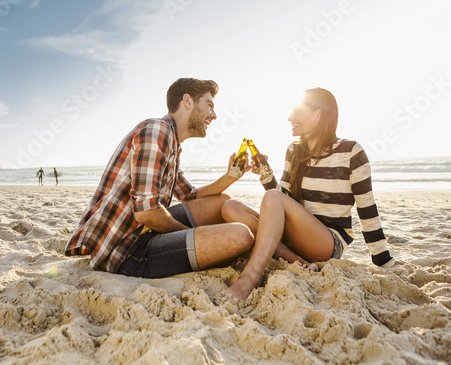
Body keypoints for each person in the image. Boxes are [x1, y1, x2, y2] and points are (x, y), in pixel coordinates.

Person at [222, 87, 404, 300]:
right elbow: (283, 198)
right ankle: (294, 259)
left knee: (269, 199)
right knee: (229, 206)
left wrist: (382, 258)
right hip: (294, 236)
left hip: (327, 242)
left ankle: (250, 278)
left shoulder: (352, 152)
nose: (290, 117)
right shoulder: (294, 151)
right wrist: (265, 174)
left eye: (298, 112)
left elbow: (367, 208)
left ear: (318, 115)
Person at [65, 78, 254, 278]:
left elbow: (190, 195)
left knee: (222, 201)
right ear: (187, 101)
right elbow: (147, 213)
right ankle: (274, 238)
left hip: (144, 231)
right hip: (127, 251)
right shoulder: (156, 130)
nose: (214, 115)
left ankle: (273, 234)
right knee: (240, 236)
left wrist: (230, 177)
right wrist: (186, 233)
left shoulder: (171, 141)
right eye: (209, 105)